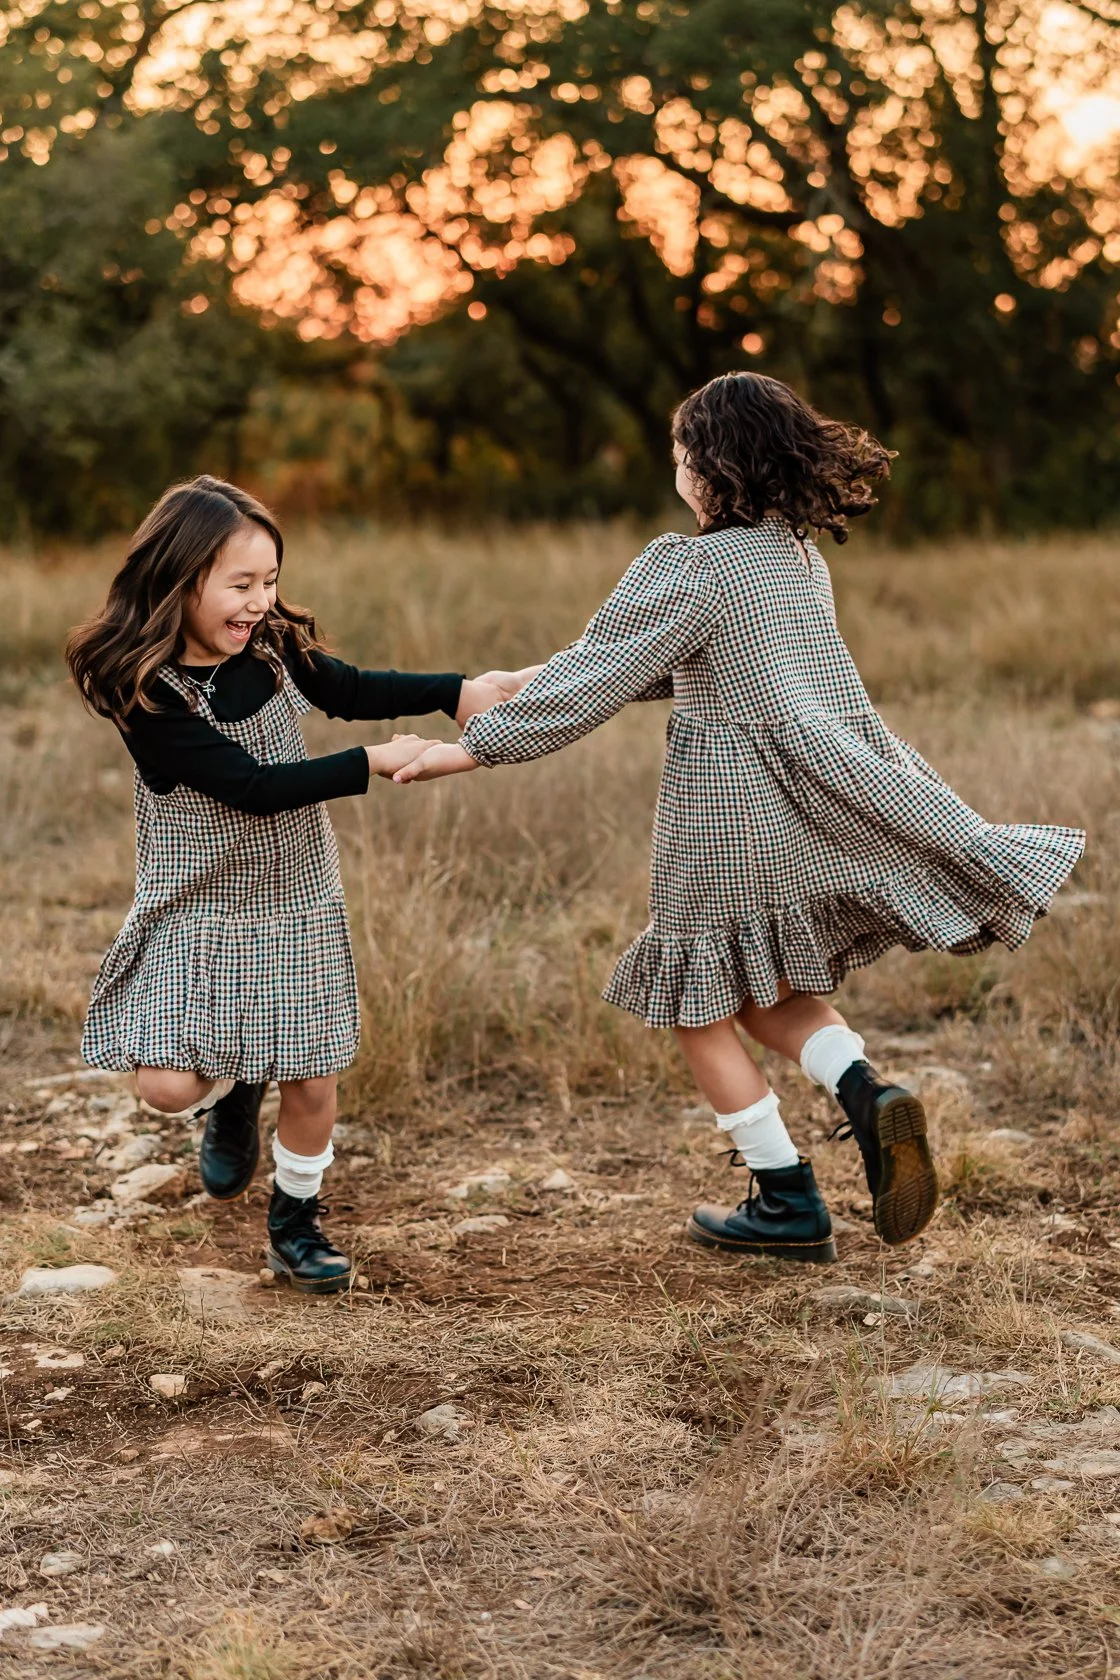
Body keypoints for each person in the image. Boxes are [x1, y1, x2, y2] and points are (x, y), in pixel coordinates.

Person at [393, 373, 1085, 1262]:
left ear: (712, 470)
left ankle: (785, 1198)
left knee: (697, 1004)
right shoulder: (796, 556)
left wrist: (474, 745)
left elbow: (609, 668)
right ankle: (869, 1094)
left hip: (723, 816)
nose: (674, 468)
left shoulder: (690, 565)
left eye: (681, 454)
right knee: (773, 998)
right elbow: (661, 661)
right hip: (801, 809)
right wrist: (518, 681)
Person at [66, 475, 519, 1292]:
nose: (259, 602)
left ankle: (295, 1223)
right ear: (181, 579)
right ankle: (234, 1087)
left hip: (293, 896)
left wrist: (456, 692)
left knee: (313, 1074)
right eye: (241, 585)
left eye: (269, 580)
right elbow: (250, 785)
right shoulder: (148, 695)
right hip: (199, 903)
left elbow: (346, 688)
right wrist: (374, 762)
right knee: (168, 1086)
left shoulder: (268, 644)